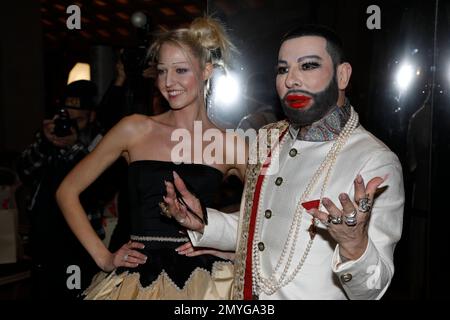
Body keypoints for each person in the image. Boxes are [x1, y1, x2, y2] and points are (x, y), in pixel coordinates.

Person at [165, 24, 405, 300]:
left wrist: (354, 246)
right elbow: (257, 229)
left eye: (308, 66)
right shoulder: (267, 138)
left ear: (342, 75)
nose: (291, 80)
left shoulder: (376, 162)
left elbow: (373, 290)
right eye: (282, 69)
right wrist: (203, 222)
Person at [56, 17, 247, 299]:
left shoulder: (230, 143)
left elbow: (269, 211)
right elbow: (67, 191)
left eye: (181, 70)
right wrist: (103, 257)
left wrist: (225, 247)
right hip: (136, 279)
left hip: (203, 285)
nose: (168, 82)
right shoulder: (134, 129)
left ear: (207, 70)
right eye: (161, 71)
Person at [16, 80, 119, 299]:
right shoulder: (47, 139)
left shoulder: (101, 142)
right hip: (44, 245)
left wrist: (74, 147)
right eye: (67, 117)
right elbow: (24, 171)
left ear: (91, 116)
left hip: (80, 246)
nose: (70, 125)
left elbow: (99, 187)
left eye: (78, 120)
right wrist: (44, 142)